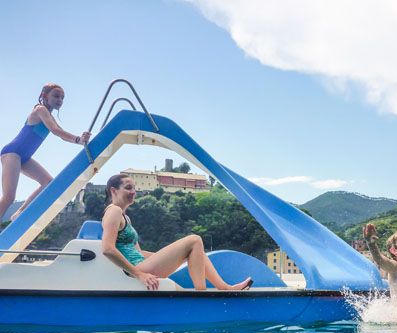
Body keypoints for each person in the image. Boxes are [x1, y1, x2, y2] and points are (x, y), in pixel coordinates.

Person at [101, 173, 253, 291]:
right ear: (113, 191)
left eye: (134, 187)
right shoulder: (113, 211)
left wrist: (166, 256)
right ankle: (202, 295)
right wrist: (139, 274)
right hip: (138, 269)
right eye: (128, 188)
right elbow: (107, 249)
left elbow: (137, 252)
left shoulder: (125, 217)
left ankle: (225, 288)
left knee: (197, 251)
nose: (133, 191)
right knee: (194, 240)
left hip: (142, 264)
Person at [0, 83, 91, 221]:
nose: (60, 99)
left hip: (24, 157)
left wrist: (80, 139)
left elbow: (61, 134)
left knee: (48, 182)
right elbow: (55, 131)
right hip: (12, 153)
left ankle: (18, 214)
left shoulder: (49, 116)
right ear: (44, 96)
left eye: (62, 97)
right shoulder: (40, 109)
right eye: (56, 96)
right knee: (9, 196)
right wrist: (78, 139)